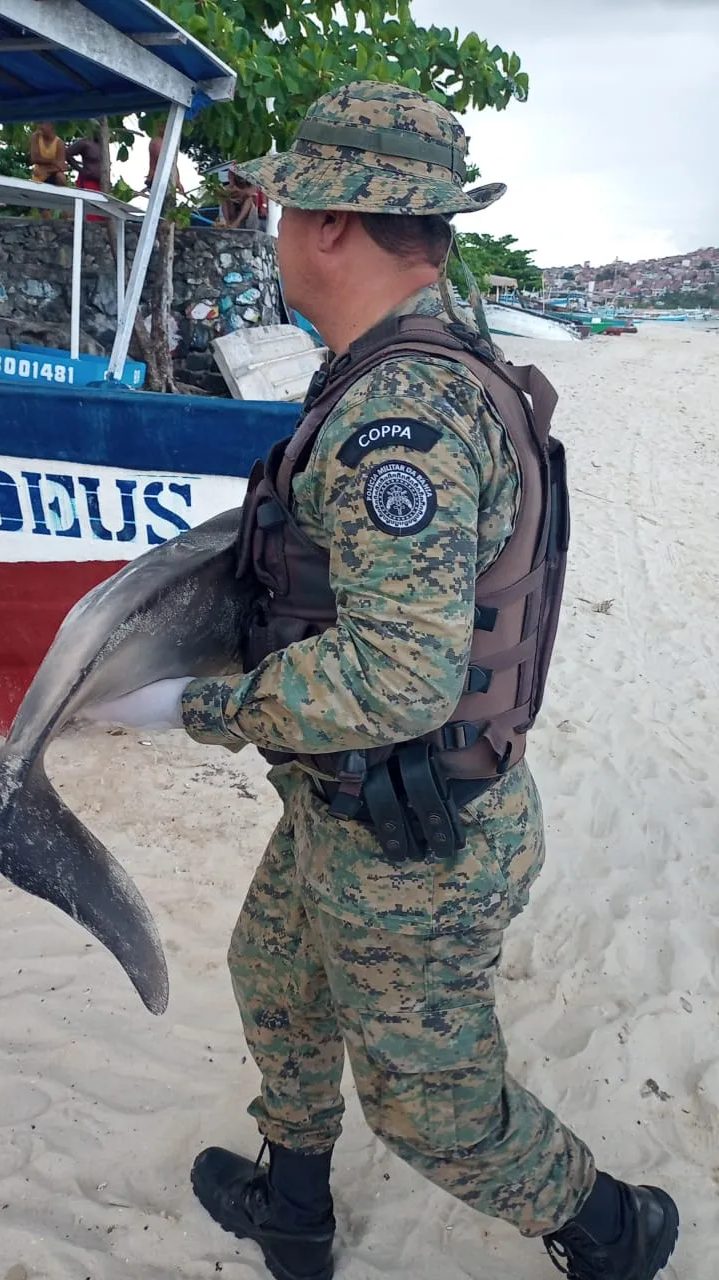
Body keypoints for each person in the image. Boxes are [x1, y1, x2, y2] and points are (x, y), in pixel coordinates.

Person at [81, 82, 679, 1280]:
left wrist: (192, 707)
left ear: (336, 224)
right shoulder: (413, 362)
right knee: (277, 979)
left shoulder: (397, 414)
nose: (273, 223)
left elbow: (401, 673)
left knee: (433, 1110)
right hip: (354, 801)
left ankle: (615, 1227)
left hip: (419, 837)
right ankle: (293, 1197)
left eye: (285, 202)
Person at [66, 124, 105, 222]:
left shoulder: (103, 147)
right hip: (88, 182)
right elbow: (67, 153)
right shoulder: (85, 143)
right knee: (89, 213)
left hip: (101, 184)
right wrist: (80, 170)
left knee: (102, 214)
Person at [30, 122, 67, 217]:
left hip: (52, 175)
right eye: (40, 123)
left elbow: (62, 167)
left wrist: (47, 170)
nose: (41, 127)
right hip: (38, 178)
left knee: (61, 177)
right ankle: (47, 224)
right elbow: (34, 158)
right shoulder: (36, 137)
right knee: (45, 212)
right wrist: (53, 161)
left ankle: (66, 210)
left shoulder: (59, 143)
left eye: (44, 124)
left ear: (52, 126)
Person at [145, 122, 185, 196]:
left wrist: (178, 181)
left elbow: (172, 163)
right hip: (158, 179)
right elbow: (166, 162)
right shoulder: (157, 142)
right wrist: (177, 181)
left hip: (164, 179)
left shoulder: (166, 143)